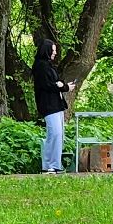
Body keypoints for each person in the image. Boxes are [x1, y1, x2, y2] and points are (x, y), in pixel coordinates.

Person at [32, 40, 73, 173]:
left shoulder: (48, 66)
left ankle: (52, 164)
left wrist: (63, 85)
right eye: (53, 50)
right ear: (47, 50)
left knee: (57, 135)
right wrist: (61, 86)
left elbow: (56, 82)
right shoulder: (41, 66)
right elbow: (47, 85)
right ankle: (51, 165)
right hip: (49, 105)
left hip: (56, 104)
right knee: (55, 134)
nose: (55, 53)